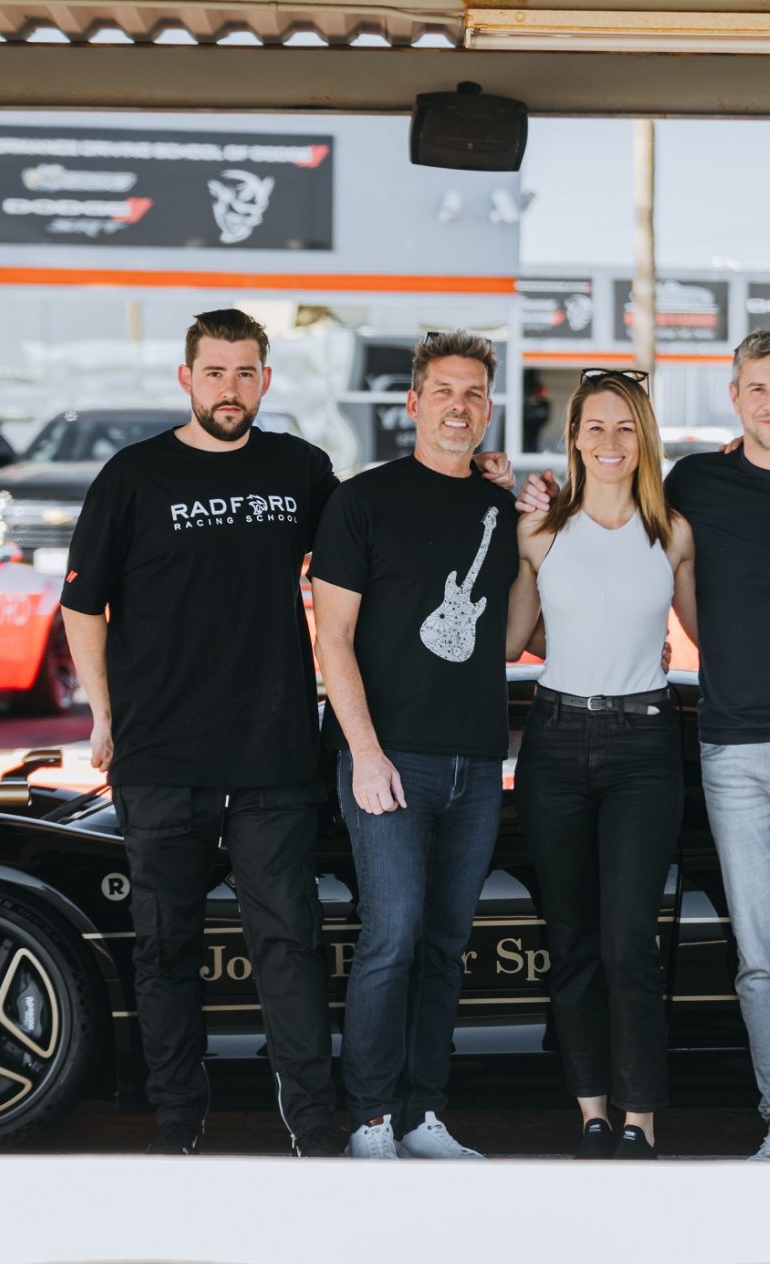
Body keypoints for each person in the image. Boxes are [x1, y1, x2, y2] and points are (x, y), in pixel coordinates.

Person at [58, 310, 519, 1159]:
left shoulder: (302, 471)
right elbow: (83, 605)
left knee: (289, 945)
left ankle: (313, 1125)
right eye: (214, 373)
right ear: (186, 378)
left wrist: (477, 474)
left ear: (265, 381)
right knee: (167, 949)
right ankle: (176, 1126)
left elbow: (385, 540)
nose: (229, 389)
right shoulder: (132, 475)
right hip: (160, 754)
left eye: (245, 373)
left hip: (274, 753)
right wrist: (103, 715)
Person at [525, 331, 770, 1161]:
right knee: (763, 956)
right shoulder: (694, 486)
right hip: (733, 750)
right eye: (757, 389)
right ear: (734, 397)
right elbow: (629, 572)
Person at [311, 331, 520, 1161]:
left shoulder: (499, 508)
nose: (460, 408)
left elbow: (516, 632)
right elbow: (333, 639)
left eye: (474, 394)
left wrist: (531, 525)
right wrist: (364, 753)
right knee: (391, 936)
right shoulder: (362, 502)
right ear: (413, 404)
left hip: (477, 758)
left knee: (445, 943)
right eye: (444, 392)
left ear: (488, 407)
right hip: (388, 758)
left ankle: (422, 1112)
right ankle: (368, 1117)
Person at [504, 368, 696, 1160]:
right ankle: (590, 1110)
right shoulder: (543, 531)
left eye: (625, 428)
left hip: (645, 748)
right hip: (553, 744)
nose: (610, 442)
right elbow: (513, 641)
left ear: (643, 437)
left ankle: (640, 1119)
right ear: (574, 437)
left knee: (627, 940)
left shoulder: (674, 532)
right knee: (573, 937)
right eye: (595, 427)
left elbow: (715, 634)